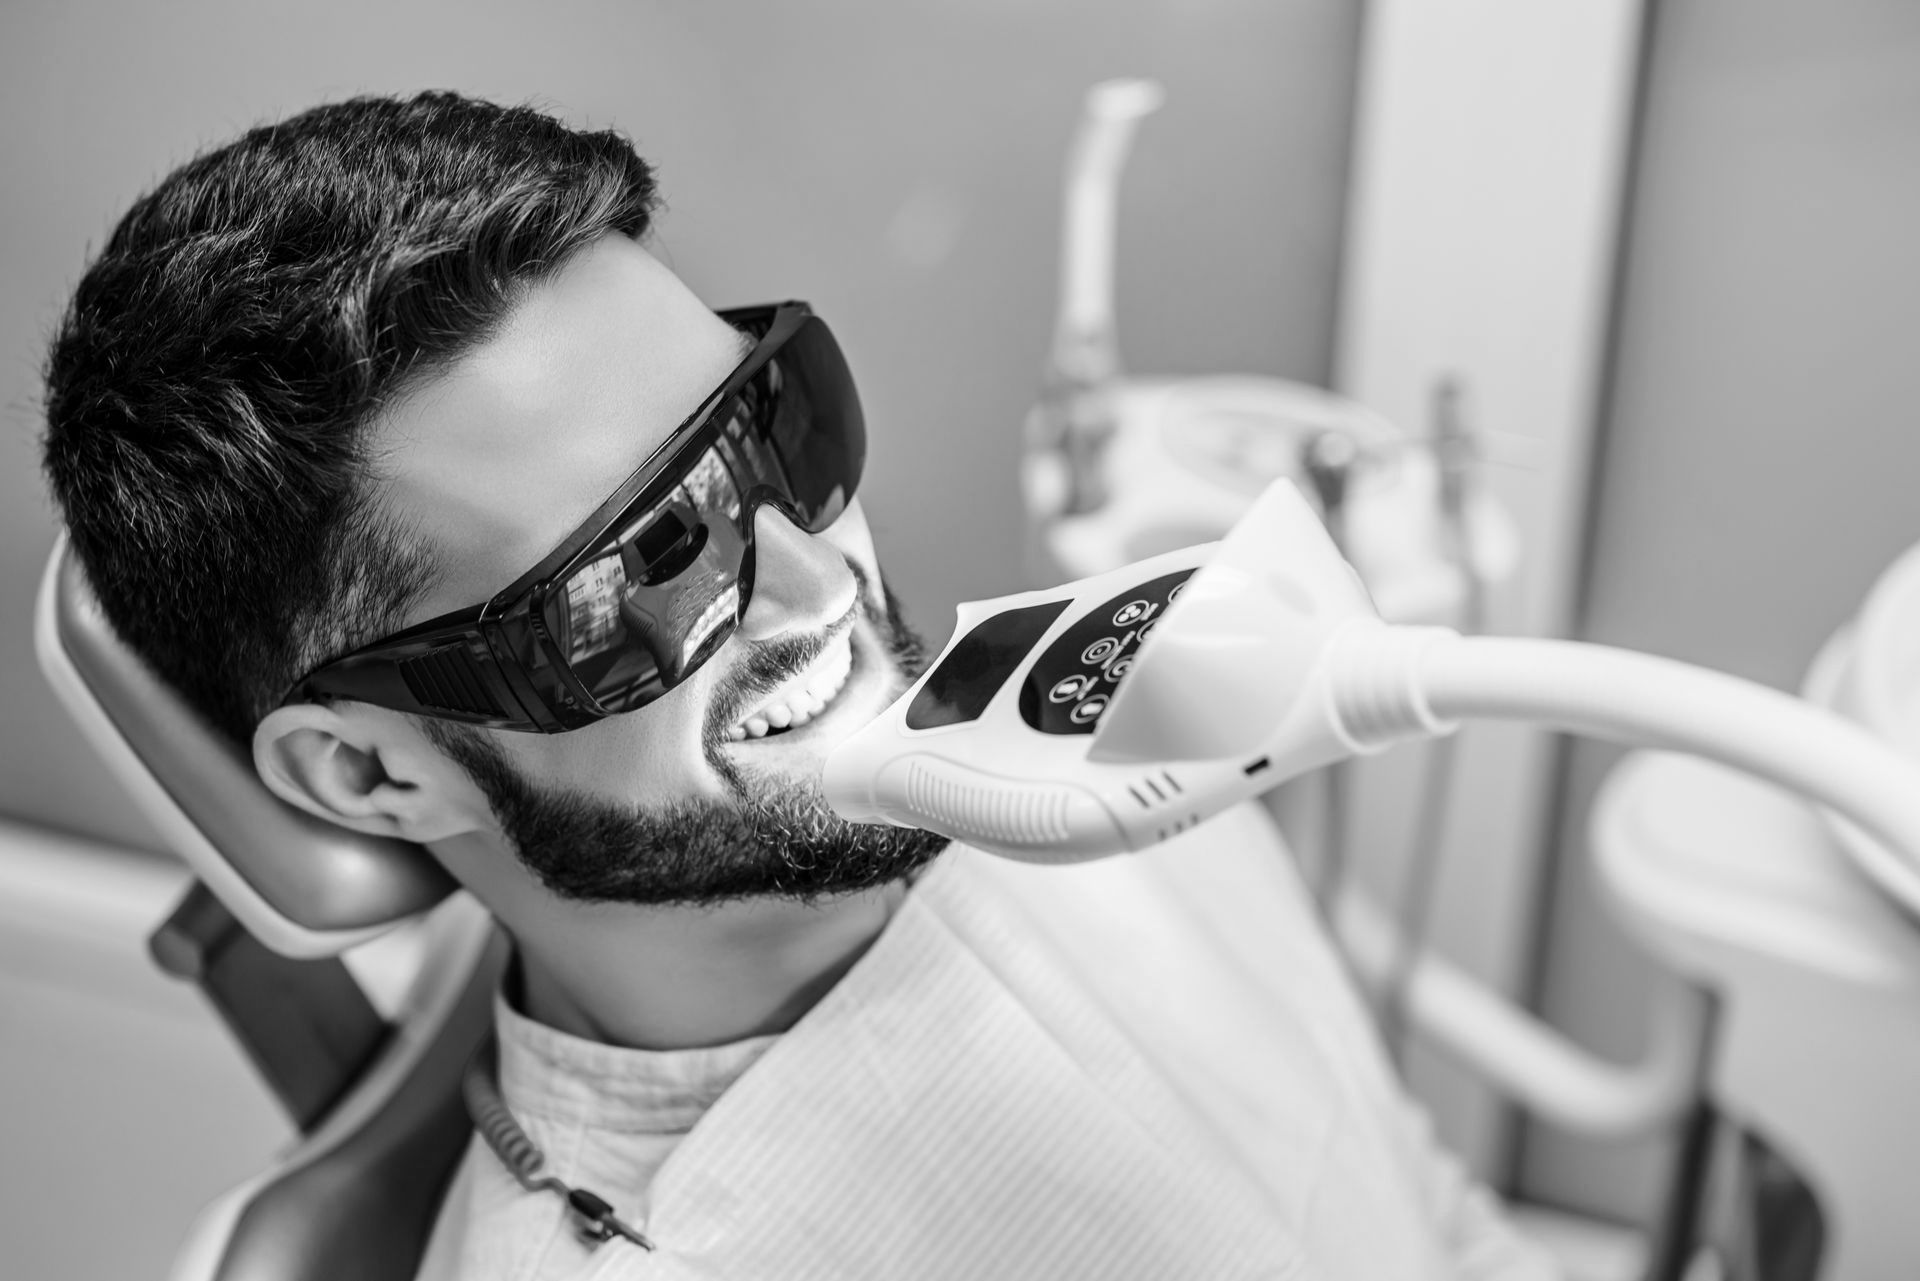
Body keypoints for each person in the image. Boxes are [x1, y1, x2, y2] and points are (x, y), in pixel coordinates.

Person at [41, 91, 1557, 1279]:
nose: (825, 582)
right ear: (377, 773)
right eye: (639, 566)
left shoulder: (1097, 719)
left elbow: (1412, 1200)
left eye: (774, 428)